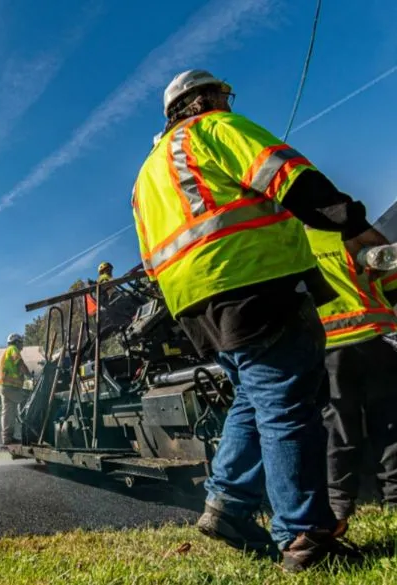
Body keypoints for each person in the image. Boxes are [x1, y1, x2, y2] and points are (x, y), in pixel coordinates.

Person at [131, 68, 386, 572]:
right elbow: (286, 176)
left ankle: (228, 504)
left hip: (195, 304)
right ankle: (303, 537)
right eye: (223, 96)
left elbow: (150, 259)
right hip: (254, 281)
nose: (226, 103)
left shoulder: (145, 177)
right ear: (206, 99)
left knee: (255, 394)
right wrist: (352, 224)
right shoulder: (213, 130)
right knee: (288, 404)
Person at [306, 227, 397, 534]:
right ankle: (395, 500)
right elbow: (391, 280)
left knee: (340, 429)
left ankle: (339, 507)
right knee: (389, 423)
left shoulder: (291, 244)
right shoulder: (354, 234)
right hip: (376, 337)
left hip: (330, 346)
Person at [0, 333, 30, 445]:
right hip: (9, 387)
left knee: (8, 412)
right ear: (16, 342)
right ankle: (31, 432)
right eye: (21, 342)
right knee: (30, 400)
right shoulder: (13, 349)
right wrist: (29, 375)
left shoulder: (5, 352)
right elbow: (20, 363)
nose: (22, 345)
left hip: (4, 386)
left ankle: (7, 438)